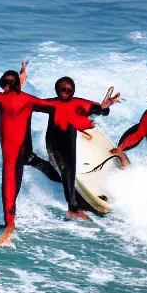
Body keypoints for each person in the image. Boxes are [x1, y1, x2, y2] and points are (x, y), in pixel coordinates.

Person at [0, 70, 57, 247]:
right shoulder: (26, 99)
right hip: (25, 153)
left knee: (9, 186)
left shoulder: (1, 99)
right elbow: (50, 104)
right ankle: (61, 183)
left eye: (4, 86)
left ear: (7, 86)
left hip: (15, 155)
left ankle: (10, 227)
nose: (3, 90)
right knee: (27, 173)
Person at [43, 77, 120, 220]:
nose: (66, 92)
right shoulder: (51, 103)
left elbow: (99, 111)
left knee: (68, 170)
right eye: (63, 89)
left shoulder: (78, 102)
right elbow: (29, 105)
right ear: (57, 89)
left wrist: (106, 106)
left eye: (70, 90)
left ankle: (73, 204)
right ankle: (72, 208)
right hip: (54, 142)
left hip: (69, 140)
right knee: (63, 171)